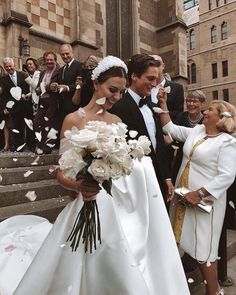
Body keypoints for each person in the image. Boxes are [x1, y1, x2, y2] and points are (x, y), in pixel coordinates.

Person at [9, 56, 190, 295]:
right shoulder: (74, 119)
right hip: (87, 202)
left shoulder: (117, 120)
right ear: (96, 84)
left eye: (121, 91)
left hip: (119, 205)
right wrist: (79, 185)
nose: (116, 96)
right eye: (112, 89)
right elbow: (61, 173)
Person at [158, 89, 236, 295]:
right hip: (182, 197)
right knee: (181, 238)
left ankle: (215, 291)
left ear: (220, 118)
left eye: (210, 109)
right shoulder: (197, 131)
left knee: (204, 248)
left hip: (205, 203)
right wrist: (163, 104)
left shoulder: (227, 142)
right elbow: (170, 128)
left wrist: (199, 193)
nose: (206, 111)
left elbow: (227, 176)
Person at [110, 53, 174, 200]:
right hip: (132, 182)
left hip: (157, 178)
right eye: (150, 78)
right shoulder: (118, 107)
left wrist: (167, 177)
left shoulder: (152, 106)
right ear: (134, 76)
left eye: (156, 79)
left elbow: (159, 146)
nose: (154, 84)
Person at [1, 57, 35, 152]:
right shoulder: (4, 79)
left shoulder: (23, 74)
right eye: (6, 67)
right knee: (17, 126)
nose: (9, 68)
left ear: (14, 65)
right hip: (14, 107)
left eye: (10, 66)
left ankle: (31, 144)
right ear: (4, 67)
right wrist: (5, 107)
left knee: (29, 125)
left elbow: (33, 87)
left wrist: (28, 95)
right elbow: (4, 96)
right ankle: (19, 146)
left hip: (26, 104)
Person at [172, 90, 205, 183]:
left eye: (194, 101)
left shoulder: (206, 119)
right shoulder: (180, 116)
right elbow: (174, 134)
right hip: (180, 157)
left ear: (202, 104)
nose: (190, 104)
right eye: (188, 101)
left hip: (200, 160)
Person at [34, 51, 60, 154]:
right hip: (42, 100)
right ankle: (39, 146)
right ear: (45, 61)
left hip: (53, 101)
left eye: (51, 60)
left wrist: (45, 87)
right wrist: (37, 90)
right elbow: (38, 87)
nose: (49, 61)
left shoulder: (59, 71)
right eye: (47, 60)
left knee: (48, 123)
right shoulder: (42, 72)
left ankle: (47, 147)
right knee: (37, 122)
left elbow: (55, 87)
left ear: (55, 60)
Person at [50, 44, 82, 127]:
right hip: (62, 109)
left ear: (72, 53)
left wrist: (67, 88)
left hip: (74, 107)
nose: (65, 56)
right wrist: (55, 86)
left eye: (67, 53)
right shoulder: (61, 69)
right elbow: (59, 85)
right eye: (62, 54)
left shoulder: (79, 66)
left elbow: (81, 85)